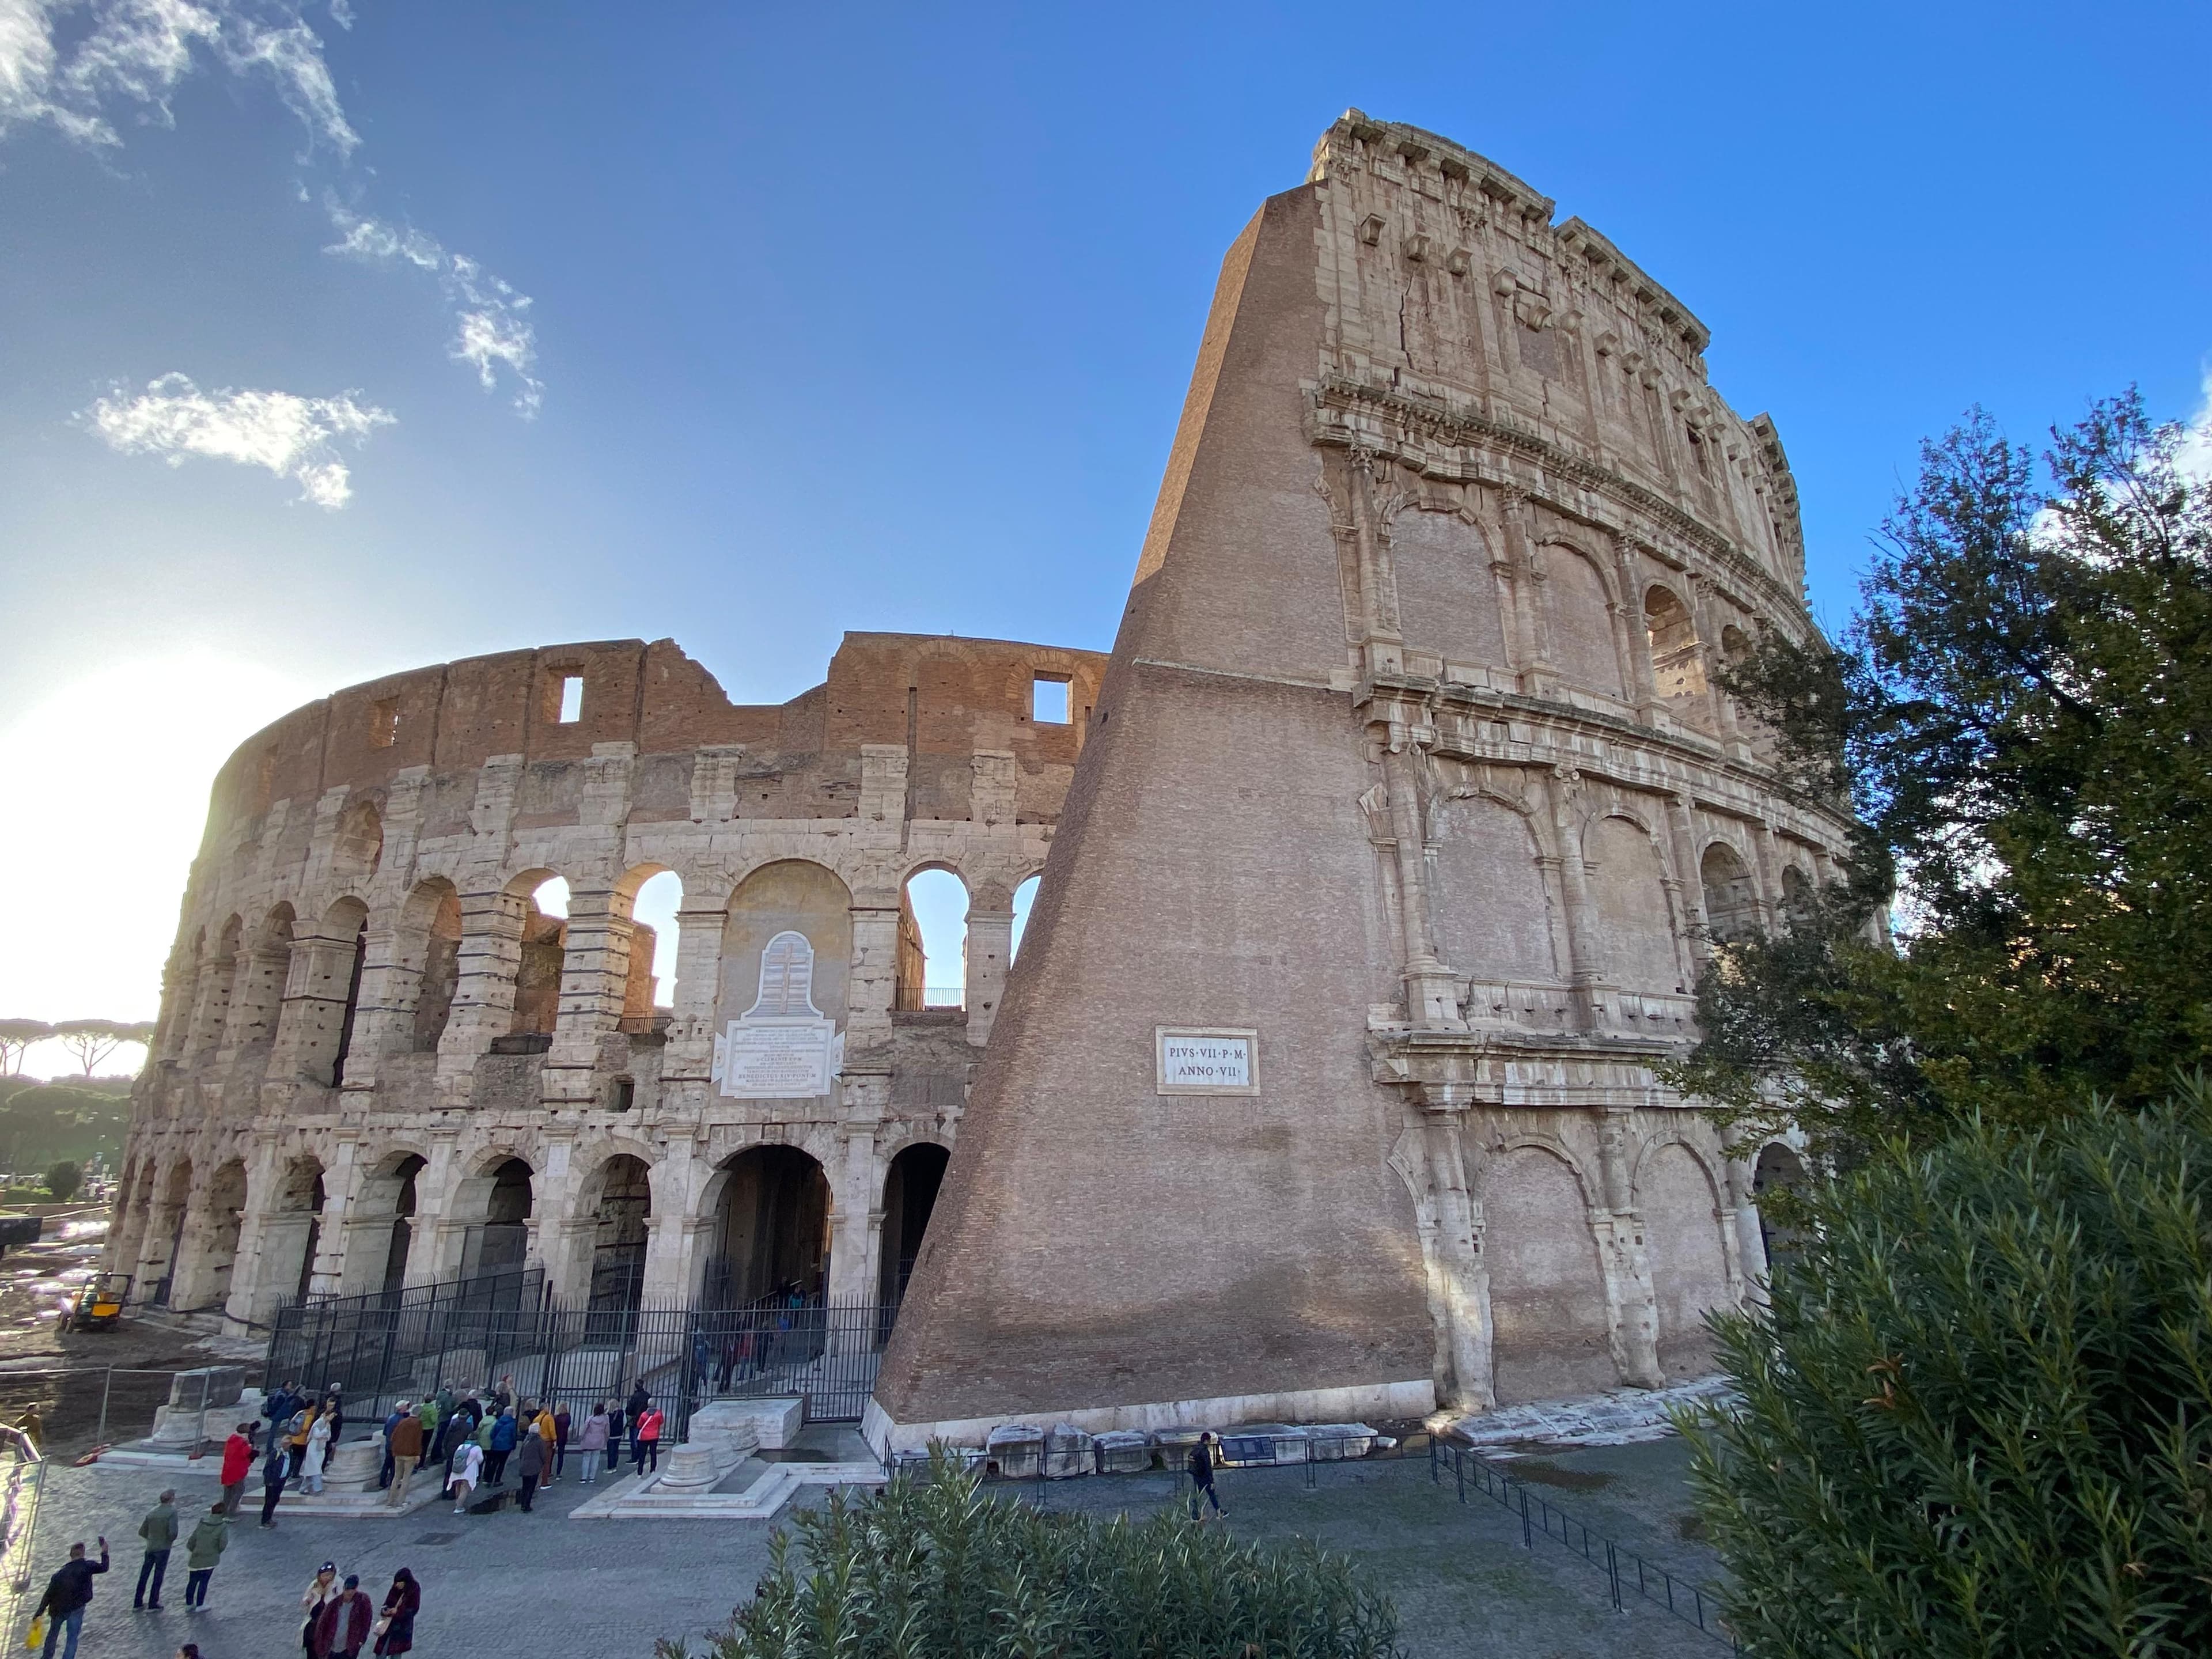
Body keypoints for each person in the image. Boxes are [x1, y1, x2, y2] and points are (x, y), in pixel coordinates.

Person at [32, 1538, 108, 1659]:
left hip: (58, 1609)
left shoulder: (59, 1575)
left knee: (53, 1634)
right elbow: (104, 1567)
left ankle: (47, 1657)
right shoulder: (88, 1566)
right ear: (83, 1553)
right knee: (72, 1639)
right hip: (76, 1609)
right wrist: (104, 1551)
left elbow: (48, 1595)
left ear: (71, 1555)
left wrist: (39, 1612)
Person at [310, 1574, 374, 1659]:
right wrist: (320, 1647)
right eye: (347, 1590)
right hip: (332, 1647)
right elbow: (322, 1625)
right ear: (344, 1588)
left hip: (350, 1647)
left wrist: (362, 1640)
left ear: (356, 1589)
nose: (349, 1593)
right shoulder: (333, 1605)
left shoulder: (363, 1601)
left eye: (352, 1590)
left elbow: (367, 1621)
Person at [134, 1491, 177, 1609]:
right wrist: (168, 1540)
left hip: (150, 1547)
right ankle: (153, 1602)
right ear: (171, 1499)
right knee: (158, 1575)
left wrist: (152, 1539)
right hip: (163, 1548)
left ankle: (137, 1602)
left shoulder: (152, 1513)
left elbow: (142, 1532)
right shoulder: (172, 1512)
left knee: (144, 1574)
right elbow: (173, 1533)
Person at [182, 1503, 228, 1608]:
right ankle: (200, 1605)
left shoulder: (202, 1523)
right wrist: (216, 1552)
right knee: (204, 1582)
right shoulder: (222, 1526)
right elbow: (223, 1544)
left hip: (196, 1556)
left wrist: (193, 1549)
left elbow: (192, 1539)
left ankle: (189, 1604)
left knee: (192, 1581)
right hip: (210, 1558)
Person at [373, 1569, 419, 1658]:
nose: (397, 1585)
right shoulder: (395, 1589)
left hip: (401, 1629)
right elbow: (387, 1603)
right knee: (381, 1653)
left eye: (399, 1583)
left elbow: (414, 1609)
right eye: (396, 1583)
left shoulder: (414, 1590)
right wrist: (385, 1610)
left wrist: (398, 1612)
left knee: (396, 1654)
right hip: (388, 1626)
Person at [386, 1404, 425, 1506]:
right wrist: (418, 1454)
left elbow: (393, 1436)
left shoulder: (403, 1421)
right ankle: (401, 1501)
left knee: (396, 1477)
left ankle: (390, 1501)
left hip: (398, 1453)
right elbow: (417, 1440)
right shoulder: (418, 1423)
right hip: (410, 1454)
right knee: (406, 1479)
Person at [300, 1563, 338, 1658]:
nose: (327, 1578)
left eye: (330, 1575)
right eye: (324, 1575)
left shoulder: (336, 1587)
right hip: (313, 1629)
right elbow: (304, 1603)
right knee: (311, 1653)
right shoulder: (314, 1585)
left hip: (327, 1629)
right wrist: (307, 1601)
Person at [1187, 1431, 1225, 1521]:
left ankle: (1195, 1514)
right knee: (1212, 1494)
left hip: (1196, 1475)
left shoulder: (1195, 1449)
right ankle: (1219, 1512)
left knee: (1197, 1495)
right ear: (1207, 1441)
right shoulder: (1205, 1452)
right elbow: (1208, 1467)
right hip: (1205, 1477)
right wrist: (1211, 1481)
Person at [218, 1423, 255, 1516]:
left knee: (227, 1493)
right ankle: (232, 1512)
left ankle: (224, 1512)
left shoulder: (231, 1440)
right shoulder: (242, 1443)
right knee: (239, 1490)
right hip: (238, 1471)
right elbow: (244, 1455)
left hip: (228, 1470)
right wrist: (250, 1446)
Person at [515, 1413, 546, 1511]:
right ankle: (527, 1505)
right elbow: (543, 1455)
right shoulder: (539, 1441)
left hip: (525, 1465)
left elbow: (521, 1453)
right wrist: (543, 1463)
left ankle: (523, 1503)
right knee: (531, 1487)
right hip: (535, 1466)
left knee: (525, 1486)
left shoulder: (526, 1440)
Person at [260, 1433, 292, 1527]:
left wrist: (287, 1476)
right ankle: (265, 1520)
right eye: (285, 1444)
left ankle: (269, 1518)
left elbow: (290, 1464)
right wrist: (268, 1480)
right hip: (272, 1481)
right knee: (269, 1501)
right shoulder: (275, 1453)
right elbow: (268, 1467)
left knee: (275, 1500)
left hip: (281, 1481)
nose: (286, 1446)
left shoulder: (290, 1453)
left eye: (288, 1444)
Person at [303, 1405, 333, 1495]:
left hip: (320, 1448)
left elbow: (329, 1436)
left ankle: (304, 1488)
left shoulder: (327, 1424)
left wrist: (325, 1434)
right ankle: (317, 1489)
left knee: (312, 1469)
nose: (331, 1418)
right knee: (316, 1469)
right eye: (330, 1416)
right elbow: (317, 1435)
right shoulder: (319, 1423)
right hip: (313, 1449)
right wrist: (325, 1432)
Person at [577, 1403, 609, 1484]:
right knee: (595, 1460)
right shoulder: (605, 1419)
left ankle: (584, 1477)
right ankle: (592, 1477)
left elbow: (584, 1429)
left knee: (586, 1459)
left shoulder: (590, 1419)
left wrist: (581, 1438)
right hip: (599, 1440)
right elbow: (607, 1431)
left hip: (588, 1440)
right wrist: (606, 1439)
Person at [449, 1437, 483, 1513]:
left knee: (458, 1486)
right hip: (469, 1471)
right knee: (465, 1488)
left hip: (457, 1469)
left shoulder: (461, 1446)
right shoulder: (477, 1448)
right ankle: (459, 1507)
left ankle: (458, 1501)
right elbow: (480, 1459)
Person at [484, 1406, 517, 1483]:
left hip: (496, 1445)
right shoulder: (512, 1424)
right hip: (506, 1447)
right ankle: (497, 1480)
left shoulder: (498, 1421)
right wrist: (513, 1446)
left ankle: (489, 1480)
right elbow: (514, 1436)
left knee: (494, 1463)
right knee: (502, 1464)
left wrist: (495, 1440)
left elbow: (492, 1434)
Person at [378, 1403, 406, 1489]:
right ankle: (393, 1482)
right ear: (402, 1408)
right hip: (397, 1446)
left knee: (387, 1464)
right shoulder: (402, 1420)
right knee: (395, 1465)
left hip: (389, 1445)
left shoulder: (391, 1418)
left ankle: (382, 1482)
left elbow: (385, 1432)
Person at [634, 1399, 664, 1475]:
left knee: (642, 1454)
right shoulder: (659, 1414)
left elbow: (639, 1425)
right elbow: (661, 1422)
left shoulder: (644, 1415)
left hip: (644, 1437)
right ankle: (653, 1469)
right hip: (654, 1436)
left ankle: (640, 1472)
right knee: (653, 1453)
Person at [551, 1402, 571, 1482]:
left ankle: (549, 1470)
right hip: (563, 1437)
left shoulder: (556, 1418)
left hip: (555, 1437)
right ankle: (558, 1473)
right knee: (561, 1456)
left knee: (551, 1454)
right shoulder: (568, 1417)